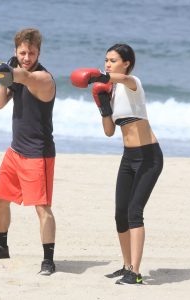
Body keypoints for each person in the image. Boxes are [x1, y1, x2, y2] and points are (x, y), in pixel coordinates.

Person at [70, 44, 163, 284]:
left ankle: (136, 273)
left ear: (126, 63)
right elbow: (110, 131)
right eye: (105, 60)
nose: (108, 64)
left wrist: (99, 76)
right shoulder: (110, 91)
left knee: (134, 212)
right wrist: (103, 106)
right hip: (128, 157)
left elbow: (122, 79)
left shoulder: (133, 84)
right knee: (120, 214)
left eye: (112, 60)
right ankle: (126, 265)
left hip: (149, 157)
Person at [0, 28, 56, 276]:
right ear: (16, 52)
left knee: (42, 207)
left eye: (31, 52)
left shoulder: (43, 78)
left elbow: (24, 76)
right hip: (15, 151)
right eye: (22, 52)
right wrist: (5, 80)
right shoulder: (16, 77)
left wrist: (8, 71)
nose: (27, 57)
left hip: (39, 154)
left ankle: (48, 260)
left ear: (39, 52)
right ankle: (1, 246)